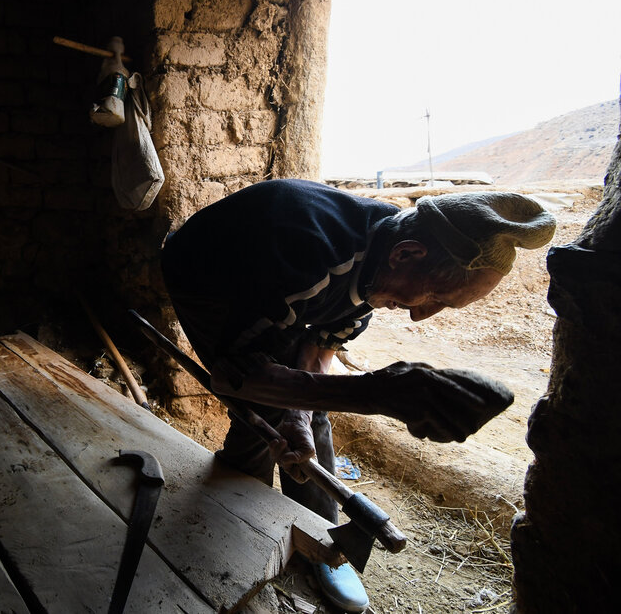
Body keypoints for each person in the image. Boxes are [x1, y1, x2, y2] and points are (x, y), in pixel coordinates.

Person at [160, 178, 556, 613]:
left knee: (307, 412)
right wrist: (374, 393)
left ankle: (323, 535)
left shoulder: (383, 258)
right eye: (435, 296)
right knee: (260, 406)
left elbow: (319, 353)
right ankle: (238, 501)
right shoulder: (307, 256)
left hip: (282, 292)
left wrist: (303, 413)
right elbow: (237, 377)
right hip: (205, 274)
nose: (422, 314)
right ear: (407, 253)